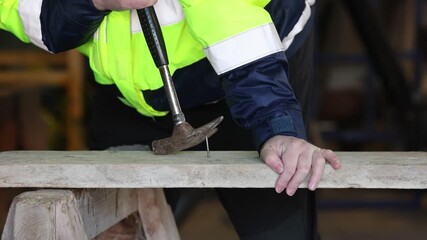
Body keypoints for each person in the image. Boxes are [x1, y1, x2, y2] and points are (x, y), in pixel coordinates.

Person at [1, 0, 341, 239]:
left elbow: (234, 26)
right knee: (116, 223)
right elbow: (32, 15)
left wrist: (277, 126)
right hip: (129, 88)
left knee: (276, 213)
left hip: (249, 69)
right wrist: (94, 2)